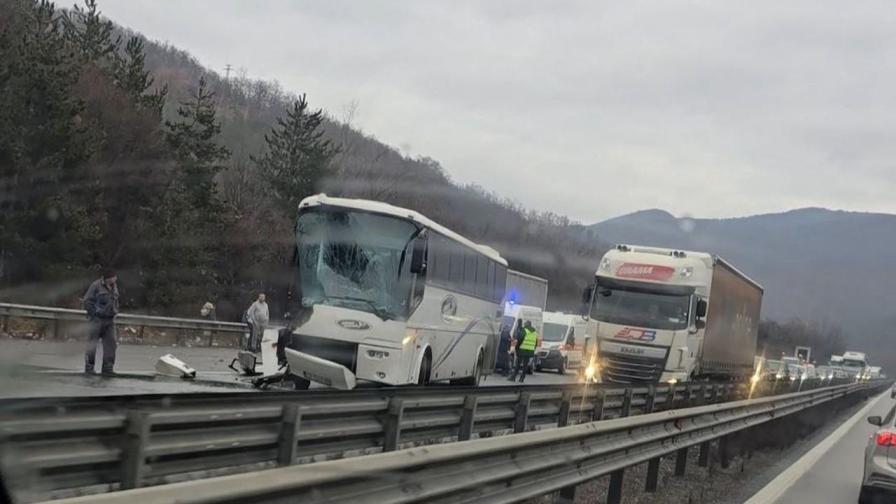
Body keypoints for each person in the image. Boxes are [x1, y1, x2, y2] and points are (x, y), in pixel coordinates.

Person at [82, 269, 120, 375]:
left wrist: (115, 311)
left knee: (111, 344)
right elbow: (87, 301)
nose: (115, 279)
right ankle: (89, 367)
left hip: (110, 320)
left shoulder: (114, 286)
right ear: (107, 278)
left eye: (115, 277)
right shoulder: (96, 285)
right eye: (113, 277)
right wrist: (94, 314)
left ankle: (108, 368)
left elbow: (115, 301)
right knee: (92, 344)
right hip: (97, 320)